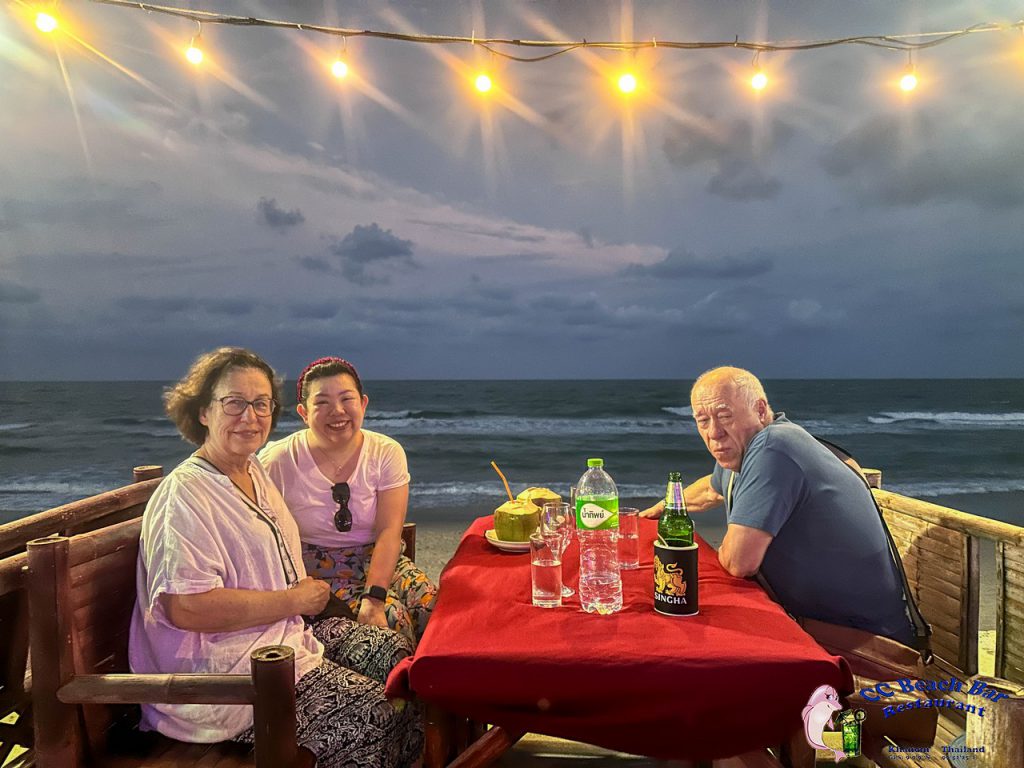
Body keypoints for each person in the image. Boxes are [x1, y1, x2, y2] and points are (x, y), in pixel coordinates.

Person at [129, 347, 422, 768]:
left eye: (261, 403)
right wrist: (293, 601)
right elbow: (186, 607)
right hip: (225, 683)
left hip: (283, 640)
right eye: (234, 403)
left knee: (397, 658)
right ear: (203, 411)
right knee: (381, 714)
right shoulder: (187, 496)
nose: (250, 417)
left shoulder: (253, 472)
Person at [641, 365, 916, 645]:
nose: (714, 432)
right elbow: (711, 491)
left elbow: (739, 562)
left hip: (863, 643)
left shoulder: (772, 447)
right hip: (818, 625)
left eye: (725, 416)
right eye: (702, 420)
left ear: (760, 411)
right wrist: (662, 508)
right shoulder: (748, 447)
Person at [259, 356, 436, 644]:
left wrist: (374, 598)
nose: (337, 411)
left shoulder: (386, 452)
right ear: (304, 412)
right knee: (393, 620)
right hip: (316, 570)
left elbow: (390, 531)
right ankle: (400, 675)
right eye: (322, 402)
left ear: (363, 404)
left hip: (379, 557)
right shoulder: (277, 460)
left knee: (435, 610)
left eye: (346, 399)